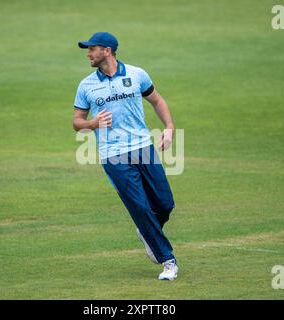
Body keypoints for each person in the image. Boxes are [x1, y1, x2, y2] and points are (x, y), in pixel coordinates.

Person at [72, 32, 178, 280]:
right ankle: (168, 261)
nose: (88, 53)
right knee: (140, 207)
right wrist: (93, 123)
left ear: (107, 50)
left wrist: (170, 127)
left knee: (165, 203)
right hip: (113, 155)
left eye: (92, 49)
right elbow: (76, 122)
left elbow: (156, 99)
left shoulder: (137, 74)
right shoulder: (86, 85)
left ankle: (147, 232)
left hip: (143, 147)